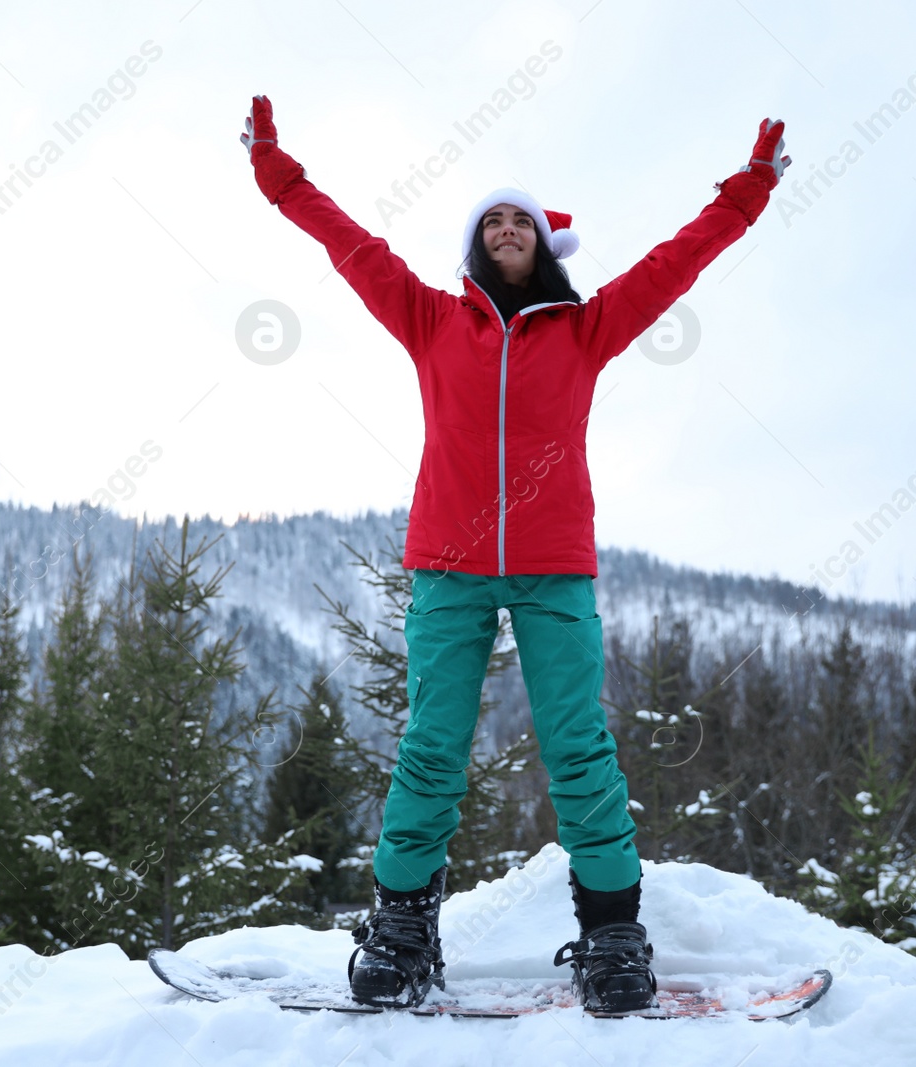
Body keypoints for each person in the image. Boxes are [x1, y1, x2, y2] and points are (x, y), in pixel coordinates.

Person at [240, 95, 789, 1012]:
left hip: (553, 568)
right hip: (449, 566)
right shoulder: (430, 321)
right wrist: (278, 175)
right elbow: (350, 246)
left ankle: (614, 934)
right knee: (431, 749)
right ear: (474, 246)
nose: (504, 228)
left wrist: (749, 191)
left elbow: (676, 262)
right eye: (490, 220)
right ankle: (405, 928)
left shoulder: (586, 330)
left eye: (518, 220)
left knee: (578, 748)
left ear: (541, 243)